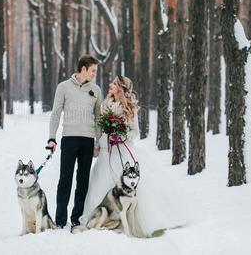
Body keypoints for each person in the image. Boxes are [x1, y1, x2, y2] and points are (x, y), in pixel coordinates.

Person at [80, 75, 185, 236]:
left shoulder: (129, 107)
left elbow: (135, 131)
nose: (110, 85)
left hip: (122, 152)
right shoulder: (105, 104)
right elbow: (100, 129)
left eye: (114, 84)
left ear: (121, 88)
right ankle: (103, 219)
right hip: (106, 153)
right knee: (99, 186)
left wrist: (121, 136)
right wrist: (97, 144)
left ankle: (132, 222)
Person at [46, 55, 102, 231]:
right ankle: (60, 219)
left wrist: (98, 141)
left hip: (87, 141)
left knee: (83, 181)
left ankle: (77, 218)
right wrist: (52, 137)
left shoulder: (96, 90)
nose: (94, 74)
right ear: (83, 69)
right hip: (69, 139)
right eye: (93, 70)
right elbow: (55, 113)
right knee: (65, 180)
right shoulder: (63, 87)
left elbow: (98, 118)